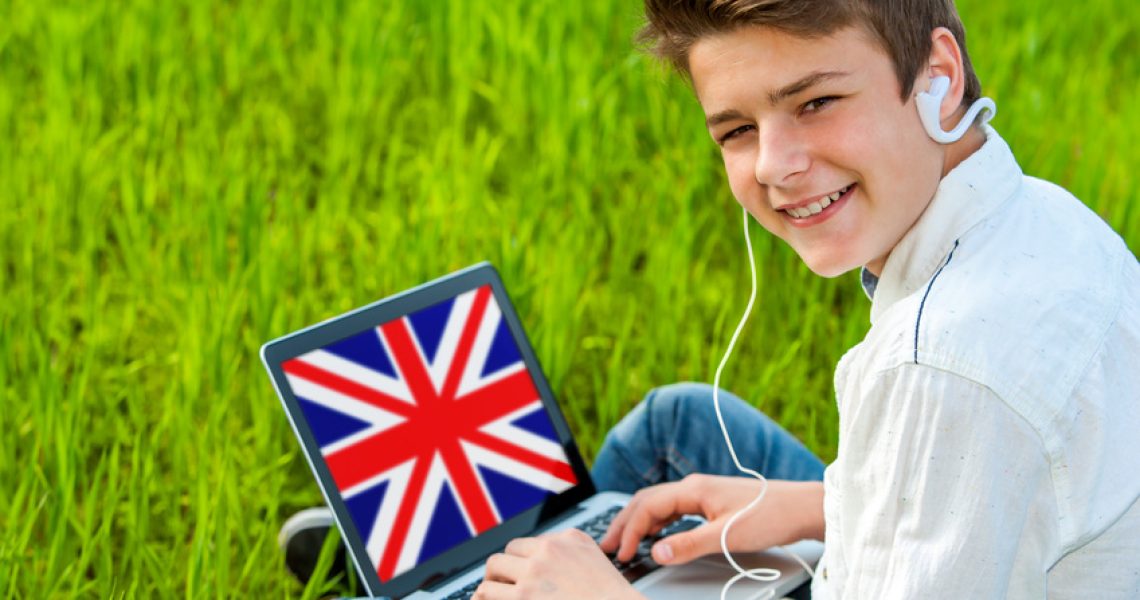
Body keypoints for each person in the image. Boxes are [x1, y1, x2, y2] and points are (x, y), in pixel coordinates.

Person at [281, 0, 1140, 597]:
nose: (773, 164)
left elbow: (963, 429)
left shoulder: (946, 368)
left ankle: (427, 577)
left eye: (815, 101)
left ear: (936, 77)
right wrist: (819, 507)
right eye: (737, 129)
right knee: (678, 428)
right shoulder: (1036, 220)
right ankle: (472, 561)